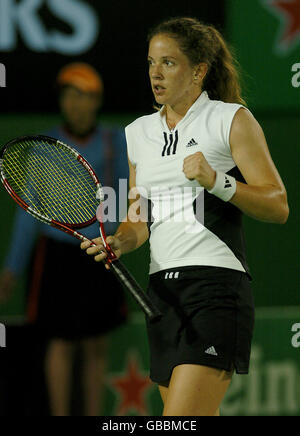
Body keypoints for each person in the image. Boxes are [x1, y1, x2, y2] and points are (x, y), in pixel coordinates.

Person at [81, 17, 289, 416]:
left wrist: (217, 181)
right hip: (162, 295)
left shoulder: (230, 119)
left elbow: (278, 205)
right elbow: (137, 218)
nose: (155, 73)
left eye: (169, 63)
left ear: (199, 70)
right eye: (150, 62)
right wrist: (119, 242)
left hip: (215, 289)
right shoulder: (137, 133)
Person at [0, 62, 128, 416]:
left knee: (95, 345)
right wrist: (12, 268)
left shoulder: (114, 142)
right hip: (55, 256)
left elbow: (125, 194)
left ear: (96, 101)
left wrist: (115, 238)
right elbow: (29, 212)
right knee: (59, 343)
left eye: (83, 95)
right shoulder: (43, 147)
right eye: (68, 95)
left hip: (99, 253)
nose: (75, 103)